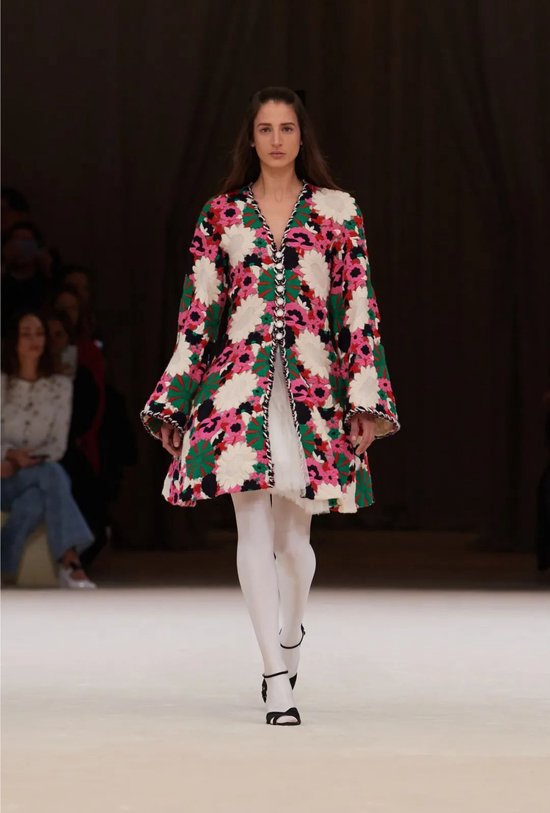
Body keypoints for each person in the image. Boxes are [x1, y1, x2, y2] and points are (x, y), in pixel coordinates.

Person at [141, 86, 400, 725]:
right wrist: (175, 401)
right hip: (237, 387)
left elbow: (358, 309)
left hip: (314, 389)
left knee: (294, 540)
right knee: (252, 527)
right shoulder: (221, 215)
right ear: (250, 137)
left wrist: (365, 398)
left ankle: (290, 633)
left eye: (287, 128)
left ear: (302, 136)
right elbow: (199, 314)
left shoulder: (338, 212)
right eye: (266, 128)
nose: (277, 139)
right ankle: (274, 676)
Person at [1, 311, 96, 588]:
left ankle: (10, 564)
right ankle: (70, 562)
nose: (34, 340)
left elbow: (56, 445)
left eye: (39, 333)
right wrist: (8, 454)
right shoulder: (2, 382)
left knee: (36, 496)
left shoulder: (60, 386)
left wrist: (20, 461)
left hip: (34, 472)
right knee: (52, 477)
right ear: (14, 340)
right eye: (26, 334)